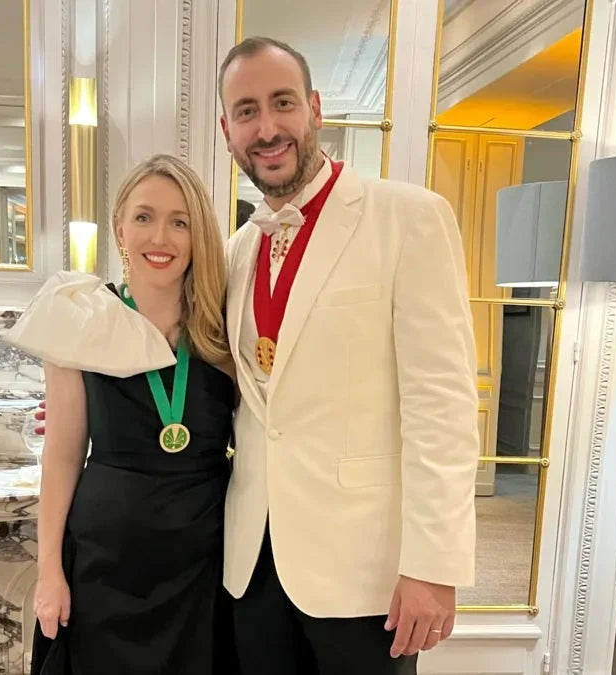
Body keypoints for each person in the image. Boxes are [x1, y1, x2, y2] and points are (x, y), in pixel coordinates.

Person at [217, 37, 481, 674]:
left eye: (283, 103)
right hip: (253, 563)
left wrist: (433, 565)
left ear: (314, 109)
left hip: (367, 574)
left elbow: (441, 407)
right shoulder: (235, 252)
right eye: (247, 111)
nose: (268, 126)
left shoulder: (408, 218)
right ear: (227, 131)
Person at [4, 154, 238, 674]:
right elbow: (62, 457)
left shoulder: (225, 330)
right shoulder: (79, 321)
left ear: (198, 234)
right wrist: (48, 574)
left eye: (180, 221)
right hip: (103, 561)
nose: (161, 237)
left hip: (203, 561)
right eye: (144, 217)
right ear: (119, 228)